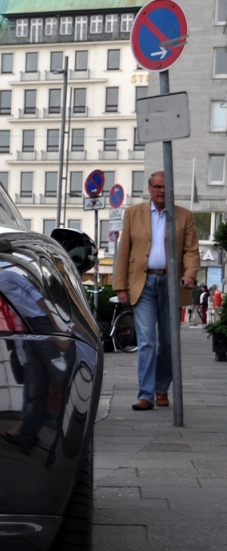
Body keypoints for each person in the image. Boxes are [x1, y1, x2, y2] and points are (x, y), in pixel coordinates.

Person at [113, 171, 200, 410]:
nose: (162, 191)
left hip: (172, 285)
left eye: (166, 187)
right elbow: (124, 251)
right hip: (144, 284)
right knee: (147, 341)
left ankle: (162, 388)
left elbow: (191, 250)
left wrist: (189, 274)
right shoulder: (133, 213)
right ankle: (146, 395)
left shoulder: (184, 216)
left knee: (169, 342)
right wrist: (121, 285)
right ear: (150, 189)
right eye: (158, 187)